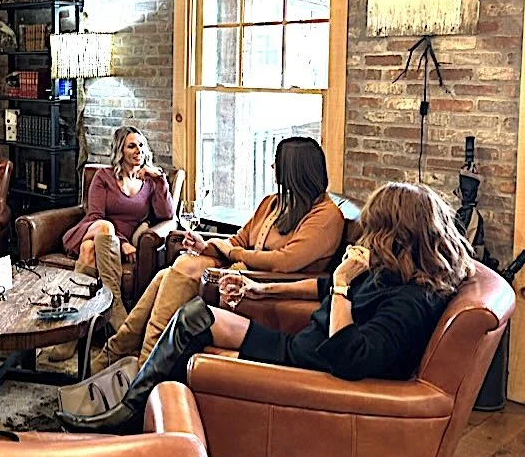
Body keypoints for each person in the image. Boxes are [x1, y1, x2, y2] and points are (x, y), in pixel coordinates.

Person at [57, 182, 476, 432]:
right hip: (303, 345)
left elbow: (351, 357)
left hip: (306, 367)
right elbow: (322, 284)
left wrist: (346, 287)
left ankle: (129, 414)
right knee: (195, 316)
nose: (364, 239)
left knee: (189, 311)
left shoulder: (413, 301)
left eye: (374, 230)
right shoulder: (398, 274)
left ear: (396, 235)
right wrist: (260, 292)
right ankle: (135, 389)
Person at [95, 136, 343, 370]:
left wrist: (233, 253)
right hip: (243, 269)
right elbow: (240, 240)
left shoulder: (326, 216)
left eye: (277, 163)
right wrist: (208, 246)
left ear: (293, 170)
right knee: (169, 273)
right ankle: (118, 349)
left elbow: (284, 262)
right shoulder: (273, 203)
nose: (271, 166)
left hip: (263, 281)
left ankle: (144, 364)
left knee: (181, 269)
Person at [54, 126, 174, 359]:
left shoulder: (150, 182)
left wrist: (160, 180)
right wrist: (122, 242)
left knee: (89, 251)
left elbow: (166, 215)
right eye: (131, 146)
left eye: (141, 145)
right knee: (103, 229)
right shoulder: (103, 177)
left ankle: (71, 335)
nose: (138, 150)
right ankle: (116, 307)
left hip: (104, 246)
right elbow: (96, 216)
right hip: (91, 230)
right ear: (120, 150)